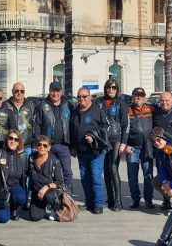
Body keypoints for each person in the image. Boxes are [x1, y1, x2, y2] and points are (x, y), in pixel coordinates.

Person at [72, 87, 110, 215]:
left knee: (95, 177)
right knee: (84, 178)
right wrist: (73, 147)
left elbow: (106, 128)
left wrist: (93, 137)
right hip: (81, 152)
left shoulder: (98, 111)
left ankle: (98, 204)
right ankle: (89, 202)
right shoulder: (75, 111)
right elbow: (72, 129)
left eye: (84, 96)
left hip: (96, 152)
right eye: (79, 97)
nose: (82, 99)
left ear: (90, 97)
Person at [35, 81, 74, 194]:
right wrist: (38, 143)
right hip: (47, 146)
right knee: (47, 172)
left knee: (67, 172)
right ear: (49, 91)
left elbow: (73, 123)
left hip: (63, 145)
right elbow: (36, 125)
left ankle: (67, 197)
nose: (55, 93)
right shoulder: (42, 105)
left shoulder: (68, 105)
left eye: (57, 91)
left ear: (61, 92)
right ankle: (49, 197)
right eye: (53, 91)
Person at [97, 78, 129, 212]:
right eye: (109, 87)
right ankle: (109, 199)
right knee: (106, 170)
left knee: (113, 168)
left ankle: (118, 201)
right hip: (103, 140)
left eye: (114, 87)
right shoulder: (98, 102)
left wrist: (123, 143)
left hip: (116, 139)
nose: (111, 90)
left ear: (117, 89)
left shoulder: (121, 103)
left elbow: (125, 124)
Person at [126, 88, 155, 210]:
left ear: (144, 98)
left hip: (147, 147)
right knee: (132, 176)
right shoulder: (127, 110)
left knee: (148, 175)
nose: (138, 98)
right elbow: (123, 128)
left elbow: (166, 109)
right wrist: (125, 144)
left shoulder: (151, 109)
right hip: (133, 147)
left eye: (141, 96)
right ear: (132, 97)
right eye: (136, 96)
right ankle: (135, 199)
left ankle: (148, 200)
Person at [26, 136, 65, 221]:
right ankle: (42, 206)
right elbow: (28, 173)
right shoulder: (32, 158)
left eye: (45, 145)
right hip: (37, 192)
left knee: (49, 197)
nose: (41, 147)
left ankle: (55, 207)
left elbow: (60, 182)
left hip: (50, 191)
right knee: (35, 217)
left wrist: (46, 187)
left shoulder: (55, 161)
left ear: (49, 148)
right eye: (39, 144)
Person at [0, 130, 27, 222]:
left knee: (21, 198)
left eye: (16, 140)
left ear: (18, 143)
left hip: (14, 186)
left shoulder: (21, 156)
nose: (13, 141)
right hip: (1, 188)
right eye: (11, 138)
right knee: (3, 219)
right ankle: (1, 206)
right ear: (6, 139)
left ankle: (13, 209)